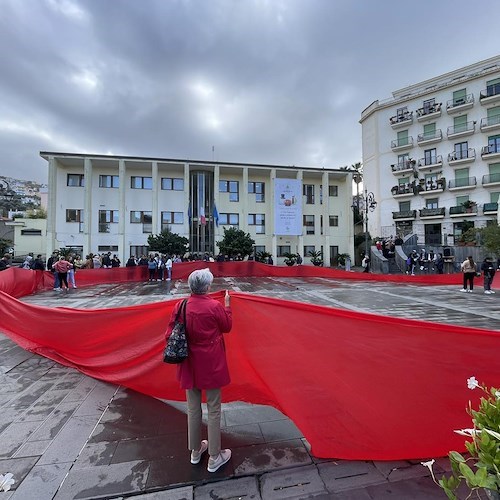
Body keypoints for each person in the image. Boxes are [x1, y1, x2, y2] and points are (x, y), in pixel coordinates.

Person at [165, 268, 232, 473]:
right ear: (207, 287)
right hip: (210, 361)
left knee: (193, 409)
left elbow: (169, 332)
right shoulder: (214, 306)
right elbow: (227, 326)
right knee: (213, 408)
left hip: (189, 362)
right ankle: (214, 455)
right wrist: (227, 306)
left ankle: (195, 451)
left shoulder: (181, 305)